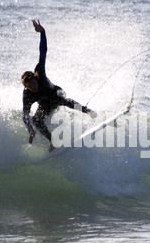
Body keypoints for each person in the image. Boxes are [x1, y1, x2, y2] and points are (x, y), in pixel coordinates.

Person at [22, 19, 96, 152]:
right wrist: (30, 130)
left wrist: (42, 32)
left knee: (61, 100)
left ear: (35, 79)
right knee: (36, 120)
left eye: (33, 83)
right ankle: (53, 142)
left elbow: (43, 52)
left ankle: (89, 111)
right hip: (45, 103)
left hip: (57, 93)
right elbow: (25, 115)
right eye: (30, 86)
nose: (33, 87)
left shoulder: (40, 75)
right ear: (26, 87)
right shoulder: (27, 95)